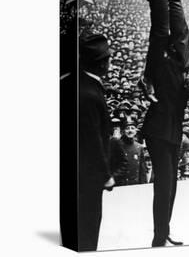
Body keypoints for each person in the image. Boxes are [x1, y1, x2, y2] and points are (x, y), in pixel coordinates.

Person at [141, 47, 189, 247]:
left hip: (173, 133)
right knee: (164, 185)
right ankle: (159, 238)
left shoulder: (184, 69)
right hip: (159, 132)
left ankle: (164, 230)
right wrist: (188, 78)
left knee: (171, 186)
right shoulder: (164, 64)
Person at [77, 32, 115, 251]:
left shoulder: (84, 83)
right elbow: (93, 140)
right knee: (89, 227)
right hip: (88, 175)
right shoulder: (89, 94)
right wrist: (105, 175)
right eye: (108, 59)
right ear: (101, 65)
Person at [119, 118, 147, 185]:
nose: (130, 131)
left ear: (136, 131)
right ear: (123, 131)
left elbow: (142, 171)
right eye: (127, 128)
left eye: (132, 128)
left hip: (135, 186)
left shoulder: (139, 147)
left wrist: (143, 186)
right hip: (120, 185)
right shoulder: (117, 146)